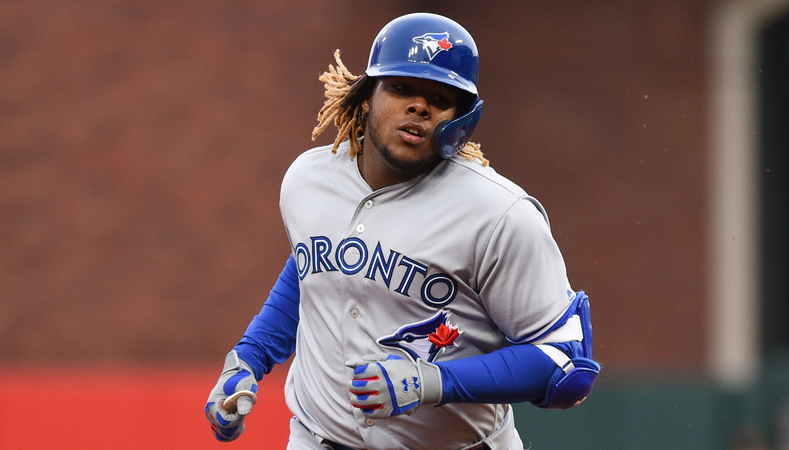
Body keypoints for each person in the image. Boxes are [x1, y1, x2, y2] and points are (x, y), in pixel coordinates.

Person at [205, 12, 600, 450]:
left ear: (462, 118)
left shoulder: (499, 214)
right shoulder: (307, 179)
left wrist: (432, 382)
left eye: (440, 96)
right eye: (401, 88)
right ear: (366, 95)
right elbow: (311, 272)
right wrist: (248, 357)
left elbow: (567, 366)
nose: (419, 106)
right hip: (317, 439)